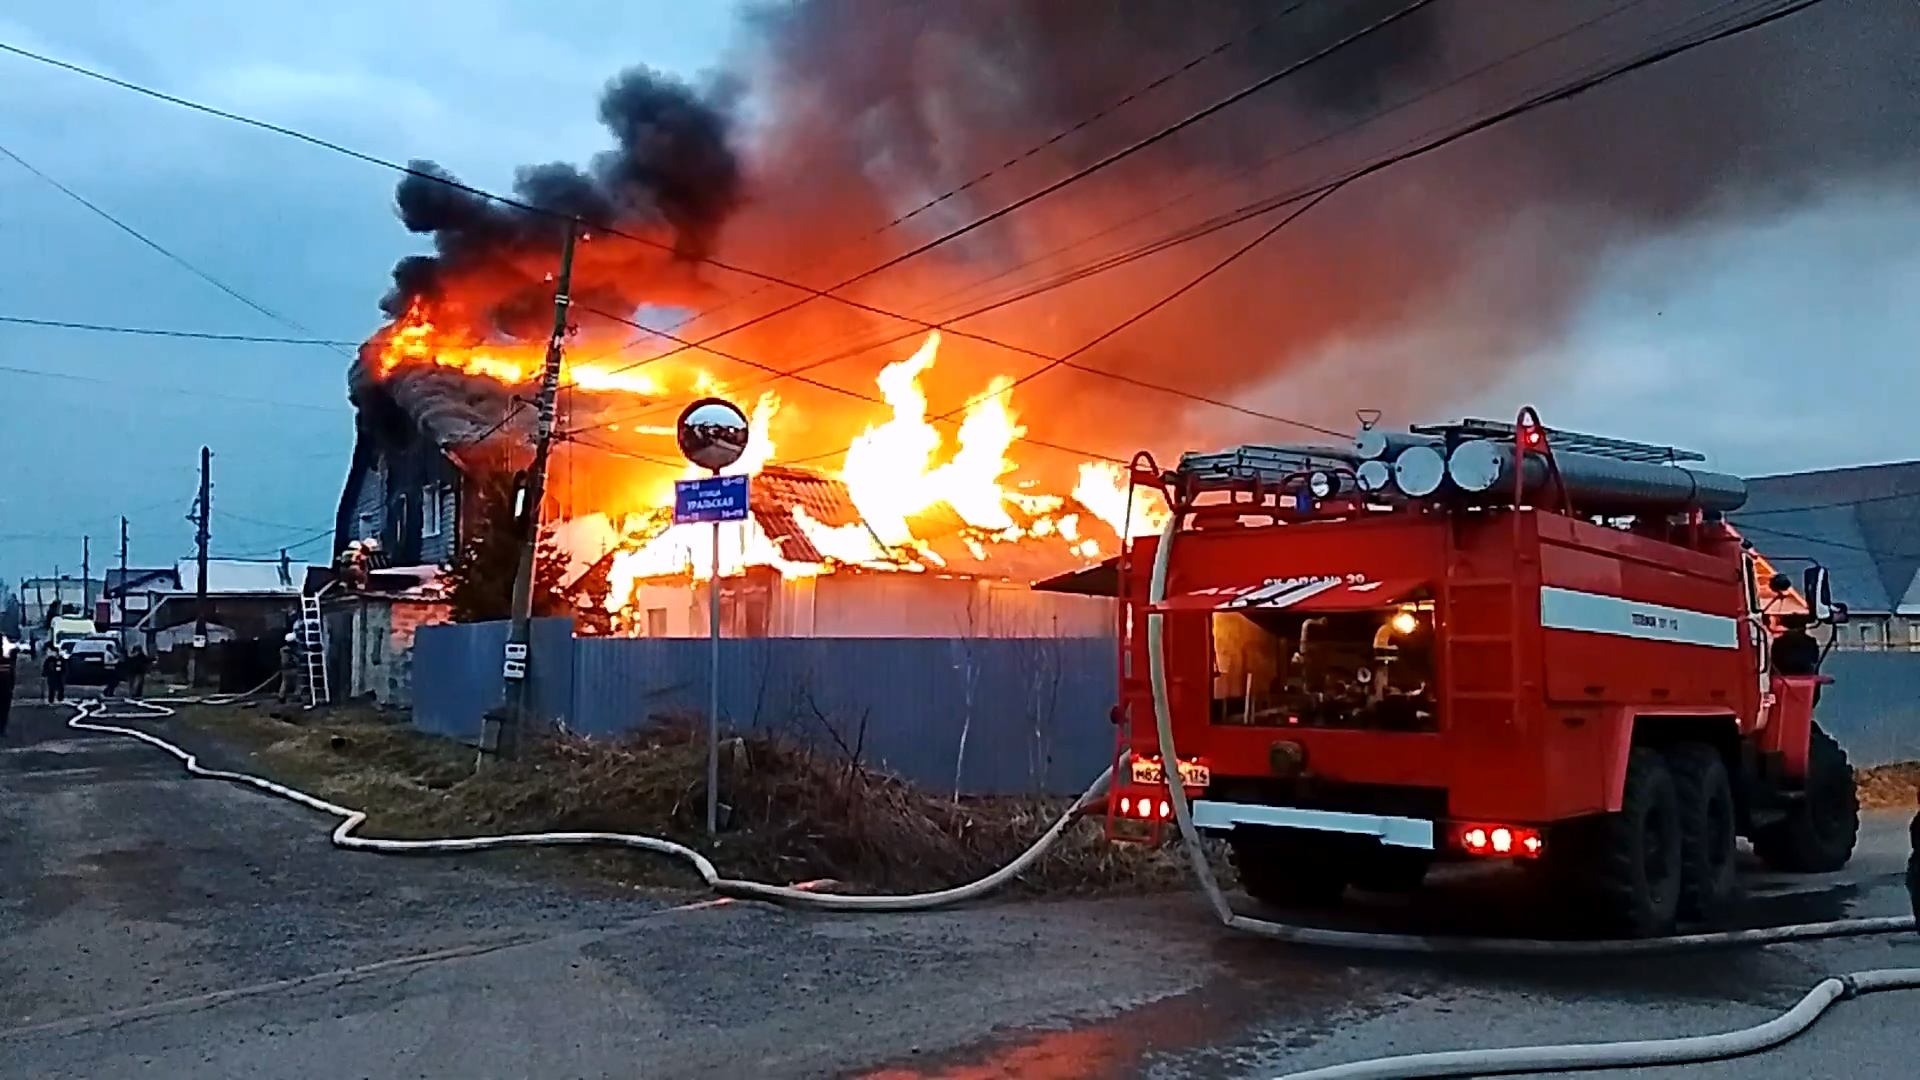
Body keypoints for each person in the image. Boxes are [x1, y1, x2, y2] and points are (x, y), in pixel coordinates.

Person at [278, 633, 301, 704]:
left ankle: (281, 697)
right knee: (298, 683)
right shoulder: (293, 650)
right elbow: (298, 657)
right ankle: (297, 696)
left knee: (284, 683)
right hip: (293, 668)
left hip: (284, 669)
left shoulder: (282, 650)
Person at [0, 639, 16, 739]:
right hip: (5, 690)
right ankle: (1, 729)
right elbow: (12, 676)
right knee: (3, 711)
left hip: (5, 689)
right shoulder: (7, 661)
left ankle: (1, 729)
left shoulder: (7, 661)